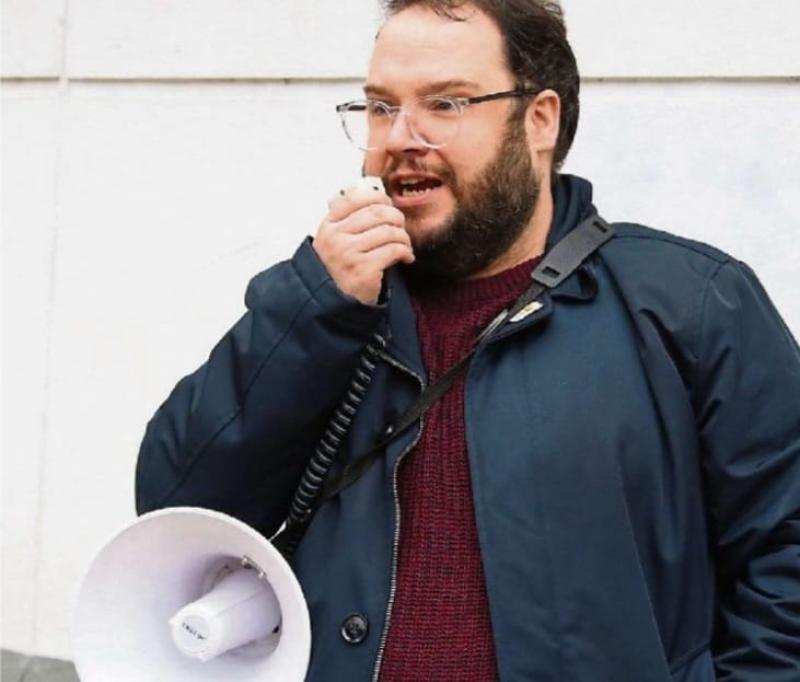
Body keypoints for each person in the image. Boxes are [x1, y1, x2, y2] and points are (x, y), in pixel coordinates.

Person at [135, 1, 800, 680]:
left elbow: (786, 559)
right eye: (378, 106)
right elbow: (173, 518)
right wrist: (316, 311)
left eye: (446, 103)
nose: (399, 136)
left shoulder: (689, 302)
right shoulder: (330, 304)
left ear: (540, 120)